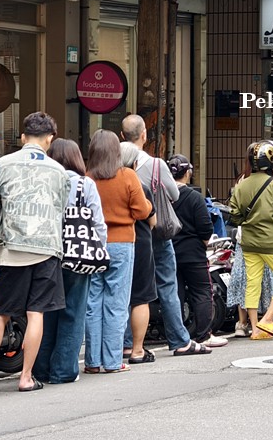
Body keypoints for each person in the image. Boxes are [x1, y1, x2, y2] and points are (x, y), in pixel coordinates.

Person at [0, 112, 70, 394]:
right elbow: (60, 209)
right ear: (50, 138)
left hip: (12, 250)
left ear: (23, 137)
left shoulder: (2, 164)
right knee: (36, 313)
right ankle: (25, 377)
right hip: (46, 249)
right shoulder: (58, 171)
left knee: (0, 314)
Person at [121, 115, 208, 356]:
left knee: (128, 288)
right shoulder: (157, 165)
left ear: (121, 136)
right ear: (144, 135)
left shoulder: (113, 164)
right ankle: (179, 340)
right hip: (156, 232)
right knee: (168, 285)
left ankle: (126, 342)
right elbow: (175, 195)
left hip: (125, 232)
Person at [34, 138, 107, 384]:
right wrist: (100, 250)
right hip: (78, 256)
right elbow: (98, 223)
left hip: (48, 254)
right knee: (74, 312)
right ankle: (63, 370)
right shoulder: (85, 185)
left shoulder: (44, 181)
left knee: (46, 312)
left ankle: (41, 369)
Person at [84, 130, 151, 374]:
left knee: (93, 302)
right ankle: (112, 361)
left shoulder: (88, 177)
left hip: (93, 245)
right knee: (116, 303)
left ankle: (92, 362)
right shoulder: (127, 176)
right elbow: (142, 211)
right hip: (122, 244)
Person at [228, 141, 273, 339]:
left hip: (249, 242)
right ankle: (267, 319)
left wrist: (247, 222)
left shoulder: (242, 184)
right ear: (272, 161)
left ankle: (255, 329)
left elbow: (234, 215)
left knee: (253, 283)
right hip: (272, 242)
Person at [168, 154, 227, 347]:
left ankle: (177, 337)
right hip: (193, 252)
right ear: (188, 173)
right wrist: (202, 244)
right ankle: (203, 335)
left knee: (174, 294)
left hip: (169, 253)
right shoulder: (194, 197)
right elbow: (206, 229)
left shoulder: (164, 196)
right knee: (202, 291)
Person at [120, 141, 158, 365]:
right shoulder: (138, 185)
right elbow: (152, 219)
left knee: (117, 298)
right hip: (140, 243)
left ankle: (119, 347)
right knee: (140, 298)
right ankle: (137, 349)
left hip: (112, 243)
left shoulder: (103, 182)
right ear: (134, 163)